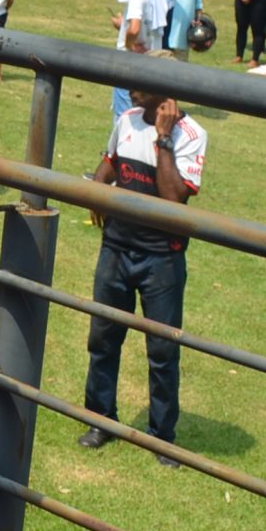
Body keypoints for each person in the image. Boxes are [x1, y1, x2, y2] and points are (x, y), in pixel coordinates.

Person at [77, 59, 205, 460]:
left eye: (140, 81)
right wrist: (98, 189)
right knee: (103, 337)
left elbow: (173, 199)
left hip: (160, 258)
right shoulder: (128, 118)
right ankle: (101, 419)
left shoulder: (192, 134)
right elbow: (110, 162)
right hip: (116, 247)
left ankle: (161, 436)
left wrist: (163, 139)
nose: (130, 86)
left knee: (162, 350)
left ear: (166, 88)